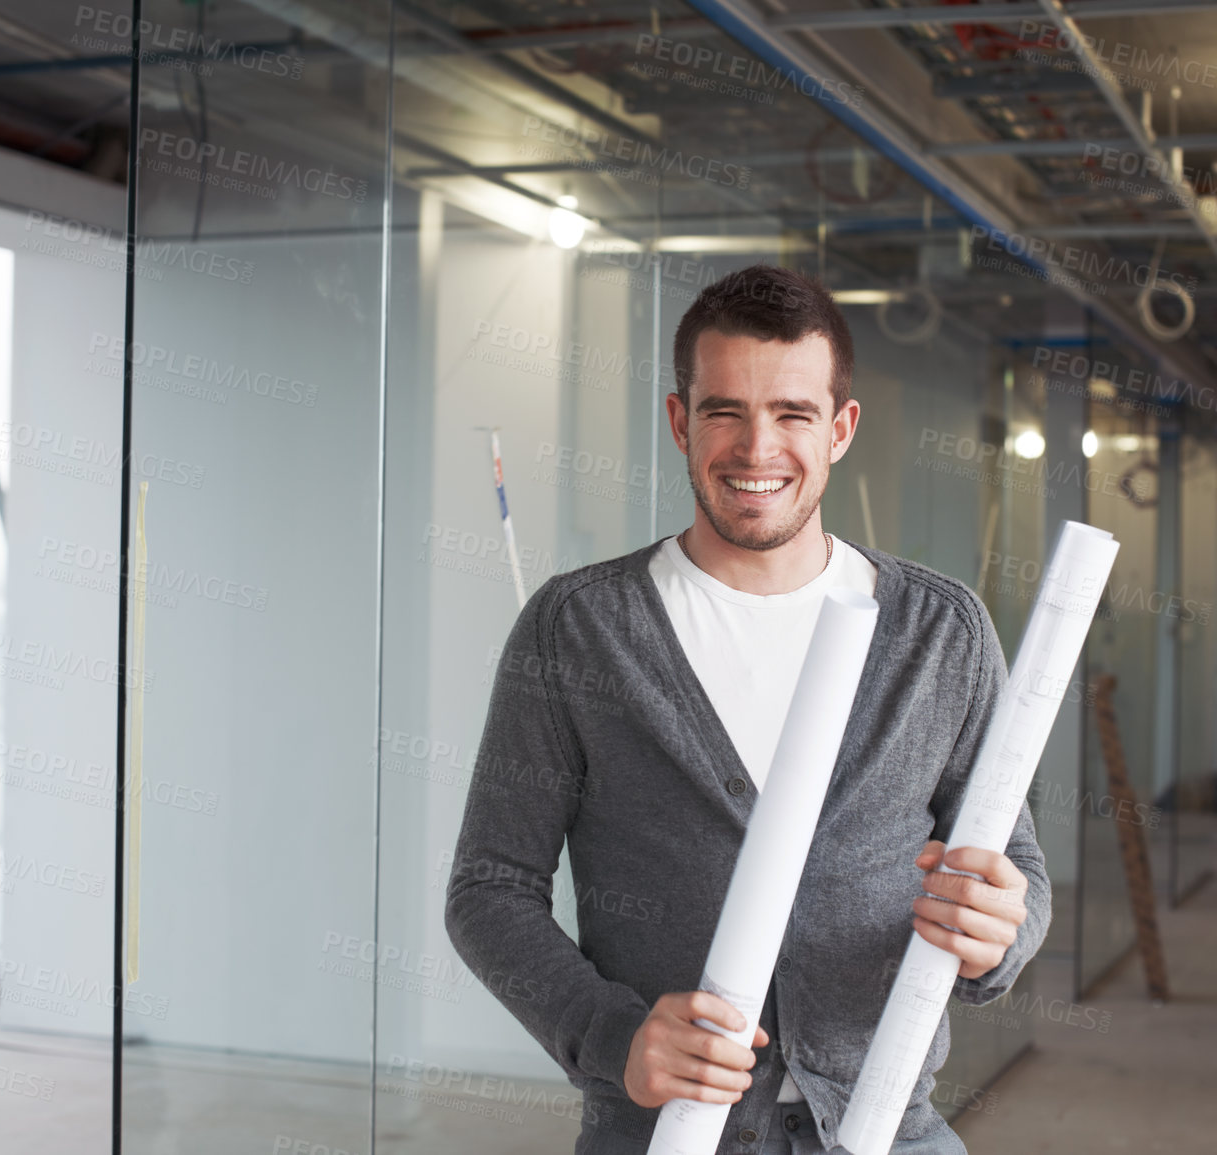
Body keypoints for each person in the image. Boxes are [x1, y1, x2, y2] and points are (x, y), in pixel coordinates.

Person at [444, 264, 1049, 1155]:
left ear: (839, 429)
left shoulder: (937, 629)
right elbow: (488, 891)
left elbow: (1016, 870)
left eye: (793, 413)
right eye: (724, 409)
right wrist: (613, 1037)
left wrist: (1002, 931)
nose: (756, 447)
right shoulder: (578, 630)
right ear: (680, 421)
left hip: (888, 1129)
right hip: (661, 1134)